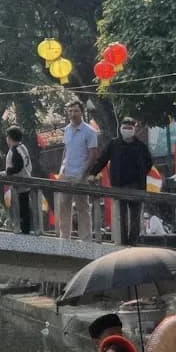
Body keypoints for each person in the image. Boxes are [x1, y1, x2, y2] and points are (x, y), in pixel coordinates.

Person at [87, 117, 152, 245]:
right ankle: (123, 242)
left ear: (134, 129)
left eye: (130, 128)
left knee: (135, 216)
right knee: (120, 216)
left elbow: (149, 163)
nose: (127, 130)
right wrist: (93, 173)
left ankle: (133, 242)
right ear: (120, 129)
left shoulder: (141, 146)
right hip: (118, 185)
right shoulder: (114, 144)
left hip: (136, 186)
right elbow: (102, 160)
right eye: (125, 128)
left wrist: (140, 173)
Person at [58, 99, 98, 240]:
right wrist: (61, 169)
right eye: (70, 111)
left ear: (81, 112)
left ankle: (86, 239)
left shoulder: (90, 131)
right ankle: (64, 237)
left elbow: (93, 155)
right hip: (67, 173)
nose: (73, 114)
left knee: (83, 207)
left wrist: (83, 174)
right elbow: (66, 151)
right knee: (64, 205)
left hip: (81, 174)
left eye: (76, 111)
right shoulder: (67, 129)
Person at [5, 126, 33, 235]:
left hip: (20, 182)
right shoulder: (23, 147)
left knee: (21, 207)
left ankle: (23, 229)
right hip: (27, 178)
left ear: (10, 138)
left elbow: (18, 166)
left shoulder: (15, 150)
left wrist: (8, 171)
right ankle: (26, 228)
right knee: (25, 205)